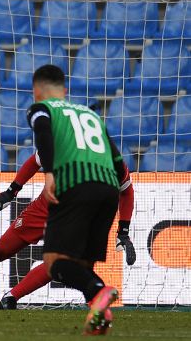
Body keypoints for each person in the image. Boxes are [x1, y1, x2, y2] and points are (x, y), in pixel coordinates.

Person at [0, 151, 135, 311]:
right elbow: (34, 161)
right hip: (41, 211)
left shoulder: (113, 162)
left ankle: (11, 298)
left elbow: (126, 191)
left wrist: (123, 230)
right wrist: (10, 192)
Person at [27, 64, 126, 335]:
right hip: (109, 188)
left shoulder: (41, 108)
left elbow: (43, 132)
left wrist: (48, 173)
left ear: (37, 92)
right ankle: (100, 315)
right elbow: (118, 163)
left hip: (75, 185)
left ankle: (101, 291)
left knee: (54, 263)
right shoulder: (92, 115)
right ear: (65, 90)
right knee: (82, 265)